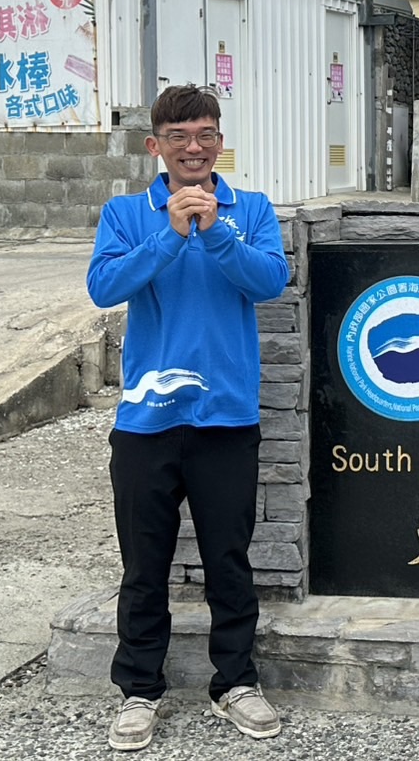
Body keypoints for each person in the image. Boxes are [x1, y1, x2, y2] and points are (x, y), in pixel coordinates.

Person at [87, 85, 289, 750]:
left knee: (228, 559)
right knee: (144, 564)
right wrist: (170, 236)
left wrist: (217, 233)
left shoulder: (251, 210)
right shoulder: (125, 213)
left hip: (226, 416)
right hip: (145, 422)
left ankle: (236, 682)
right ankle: (139, 690)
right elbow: (104, 287)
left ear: (220, 142)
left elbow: (269, 281)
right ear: (156, 146)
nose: (193, 148)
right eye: (178, 137)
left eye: (205, 135)